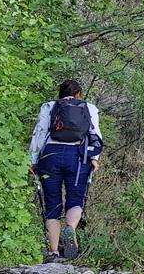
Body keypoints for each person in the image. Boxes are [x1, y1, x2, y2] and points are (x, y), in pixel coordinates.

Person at [29, 79, 103, 263]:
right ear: (79, 93)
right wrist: (94, 159)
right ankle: (70, 227)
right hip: (78, 157)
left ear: (60, 93)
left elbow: (39, 133)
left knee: (52, 202)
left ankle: (53, 252)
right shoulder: (89, 108)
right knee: (76, 198)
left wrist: (32, 160)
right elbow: (96, 134)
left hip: (50, 156)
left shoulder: (49, 106)